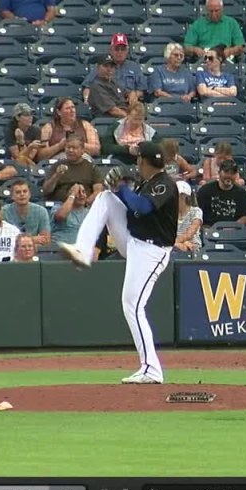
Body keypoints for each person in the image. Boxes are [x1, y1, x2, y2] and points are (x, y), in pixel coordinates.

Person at [58, 142, 179, 384]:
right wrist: (117, 189)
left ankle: (151, 369)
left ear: (143, 161)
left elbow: (142, 207)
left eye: (138, 159)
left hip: (152, 252)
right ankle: (82, 250)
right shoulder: (147, 180)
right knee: (104, 197)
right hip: (134, 240)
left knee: (132, 306)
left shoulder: (165, 183)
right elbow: (131, 205)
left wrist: (122, 189)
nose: (136, 163)